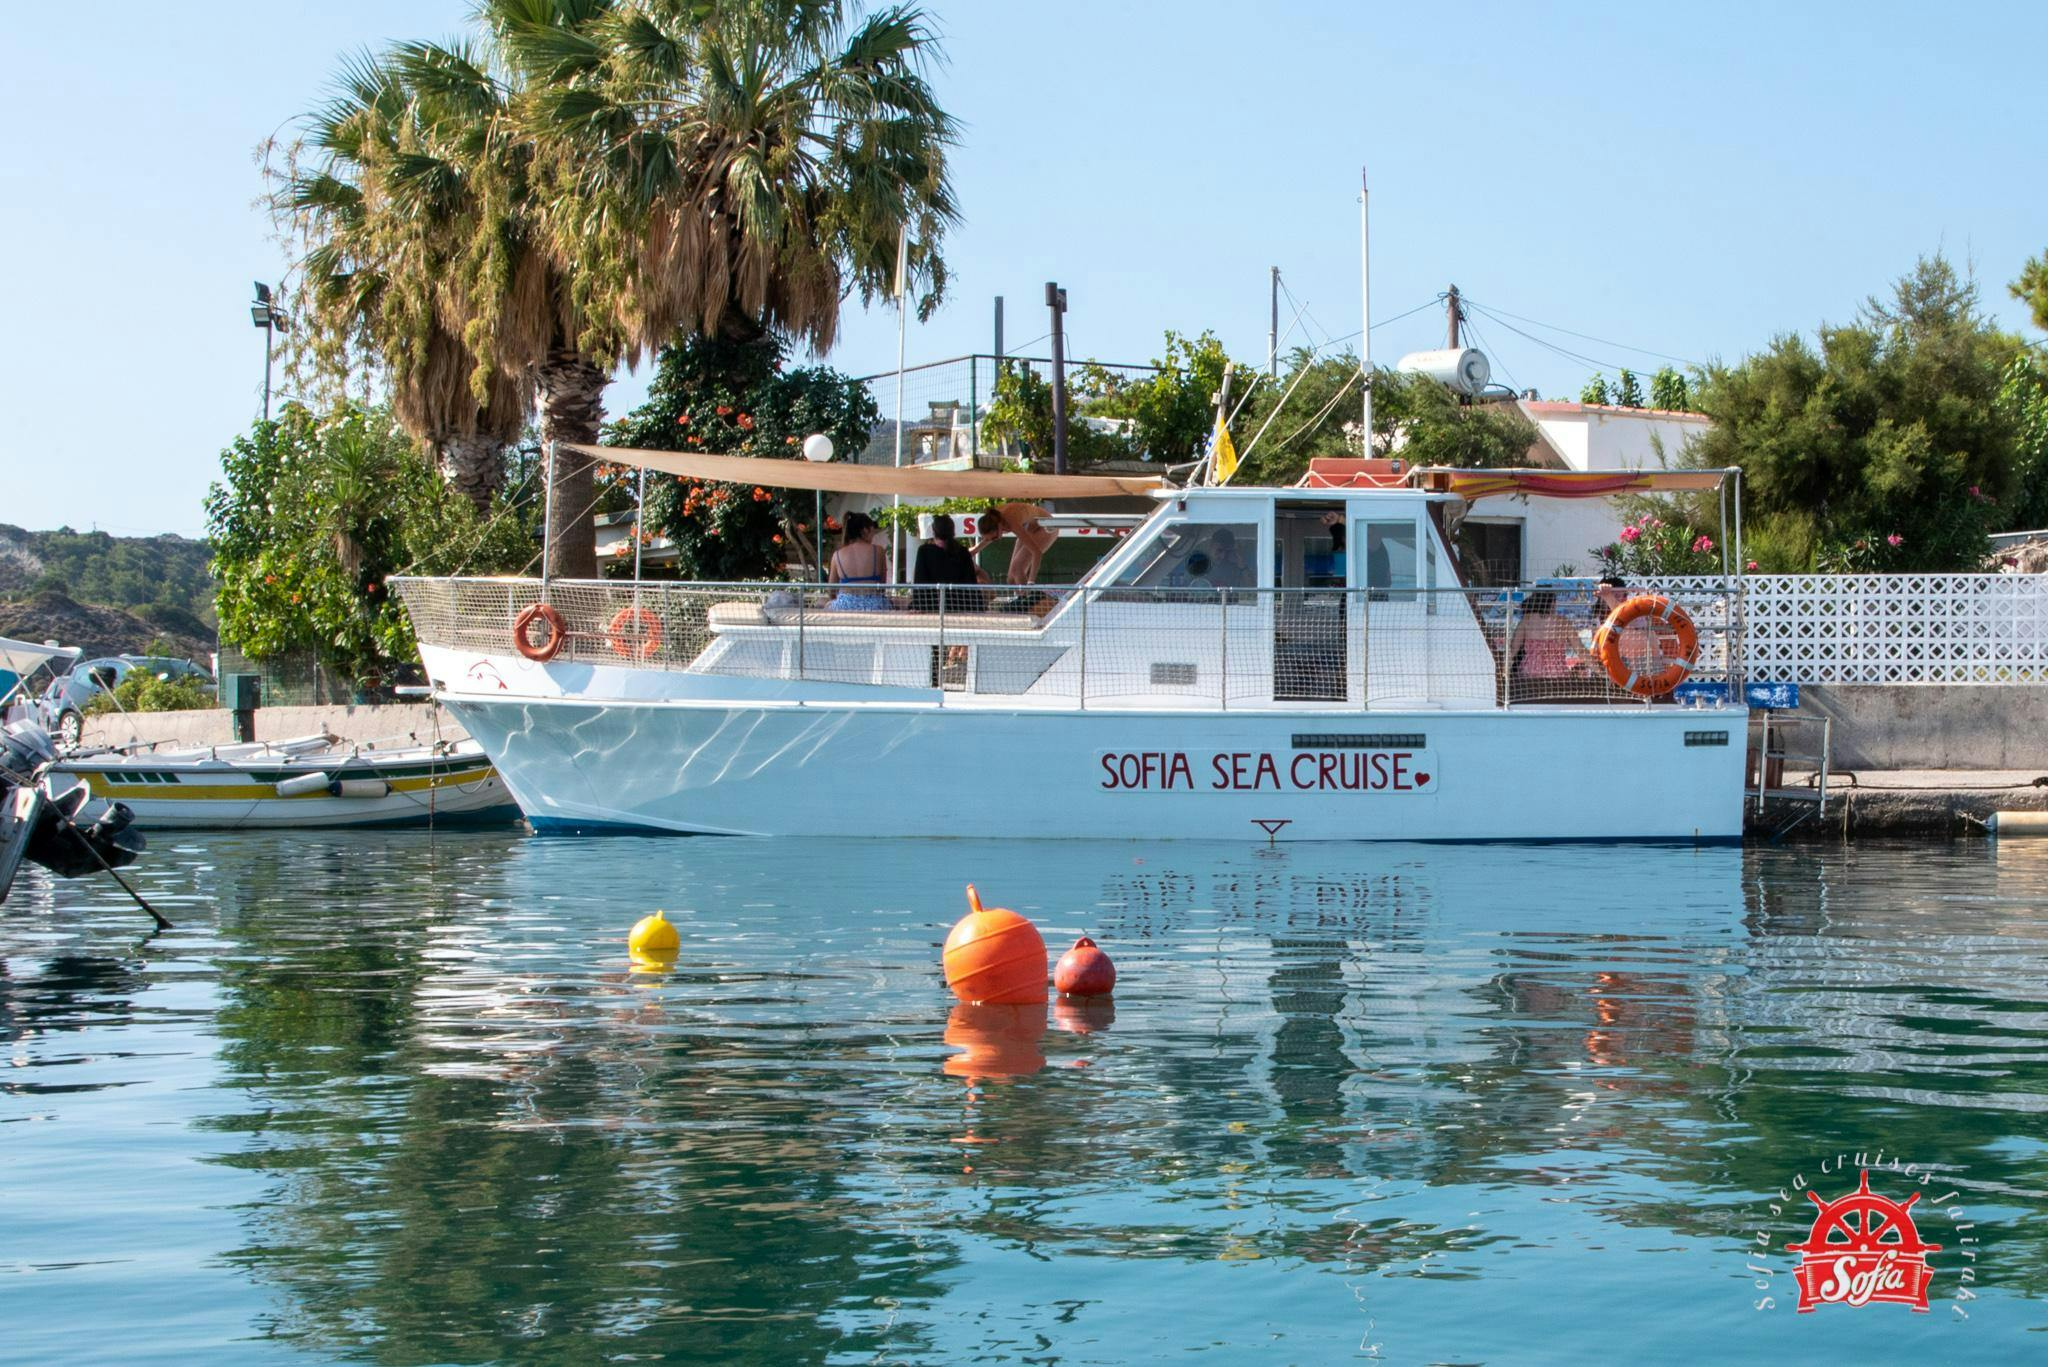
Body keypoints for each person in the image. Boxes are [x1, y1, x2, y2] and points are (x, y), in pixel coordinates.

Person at [1510, 591, 1585, 694]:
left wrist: (1505, 670)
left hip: (1530, 672)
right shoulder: (1562, 622)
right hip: (1557, 673)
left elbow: (1513, 650)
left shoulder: (1526, 621)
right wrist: (1598, 669)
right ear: (1551, 604)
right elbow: (1580, 650)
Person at [911, 513, 987, 613]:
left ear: (934, 532)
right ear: (953, 531)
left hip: (932, 608)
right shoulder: (962, 552)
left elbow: (920, 579)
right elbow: (970, 581)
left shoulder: (924, 552)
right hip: (961, 607)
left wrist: (918, 605)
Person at [972, 502, 1056, 586]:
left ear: (999, 526)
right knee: (1011, 580)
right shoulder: (994, 518)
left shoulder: (1010, 520)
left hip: (1046, 526)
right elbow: (980, 545)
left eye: (995, 538)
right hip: (1030, 528)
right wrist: (971, 552)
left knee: (1017, 569)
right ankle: (1024, 593)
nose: (995, 540)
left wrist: (1031, 581)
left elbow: (1036, 553)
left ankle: (1030, 593)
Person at [826, 512, 891, 611]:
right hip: (874, 604)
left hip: (845, 605)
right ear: (865, 530)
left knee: (822, 602)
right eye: (872, 531)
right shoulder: (878, 551)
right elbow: (882, 586)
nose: (873, 535)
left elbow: (831, 590)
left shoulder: (837, 555)